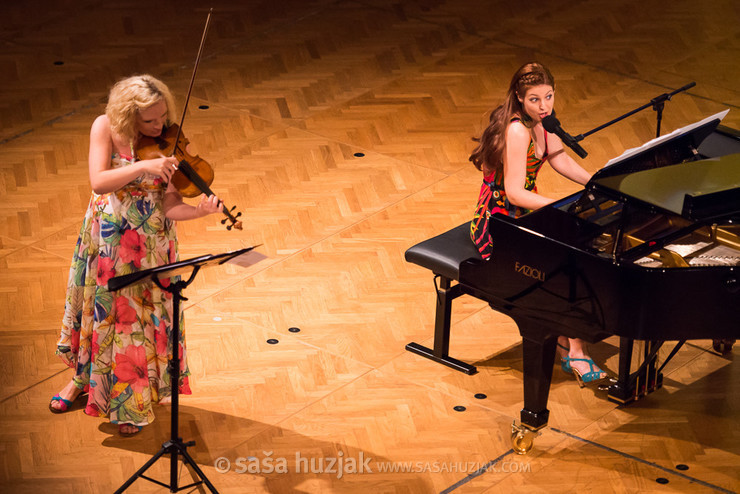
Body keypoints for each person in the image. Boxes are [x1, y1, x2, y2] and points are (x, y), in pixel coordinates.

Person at [50, 74, 224, 436]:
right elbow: (98, 181)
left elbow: (172, 204)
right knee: (99, 317)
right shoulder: (105, 128)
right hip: (109, 244)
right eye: (149, 120)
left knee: (135, 329)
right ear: (128, 115)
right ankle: (82, 379)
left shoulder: (166, 143)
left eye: (162, 116)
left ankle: (132, 402)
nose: (159, 125)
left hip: (153, 250)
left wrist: (201, 211)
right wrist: (144, 166)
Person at [469, 62, 607, 387]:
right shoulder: (517, 130)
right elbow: (515, 194)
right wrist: (561, 209)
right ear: (519, 97)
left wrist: (597, 184)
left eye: (548, 97)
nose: (544, 106)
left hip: (522, 215)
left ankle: (568, 340)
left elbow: (559, 158)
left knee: (578, 253)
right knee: (565, 264)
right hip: (499, 223)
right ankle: (575, 349)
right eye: (535, 99)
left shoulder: (543, 122)